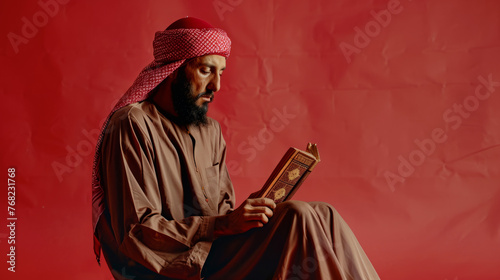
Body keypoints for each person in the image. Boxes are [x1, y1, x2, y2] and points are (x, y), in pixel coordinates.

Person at [92, 17, 380, 280]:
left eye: (220, 73)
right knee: (297, 217)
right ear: (173, 70)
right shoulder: (132, 124)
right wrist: (221, 225)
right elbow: (137, 234)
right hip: (173, 266)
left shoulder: (210, 131)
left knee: (324, 213)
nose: (216, 85)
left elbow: (223, 214)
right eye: (205, 70)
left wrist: (251, 211)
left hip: (217, 250)